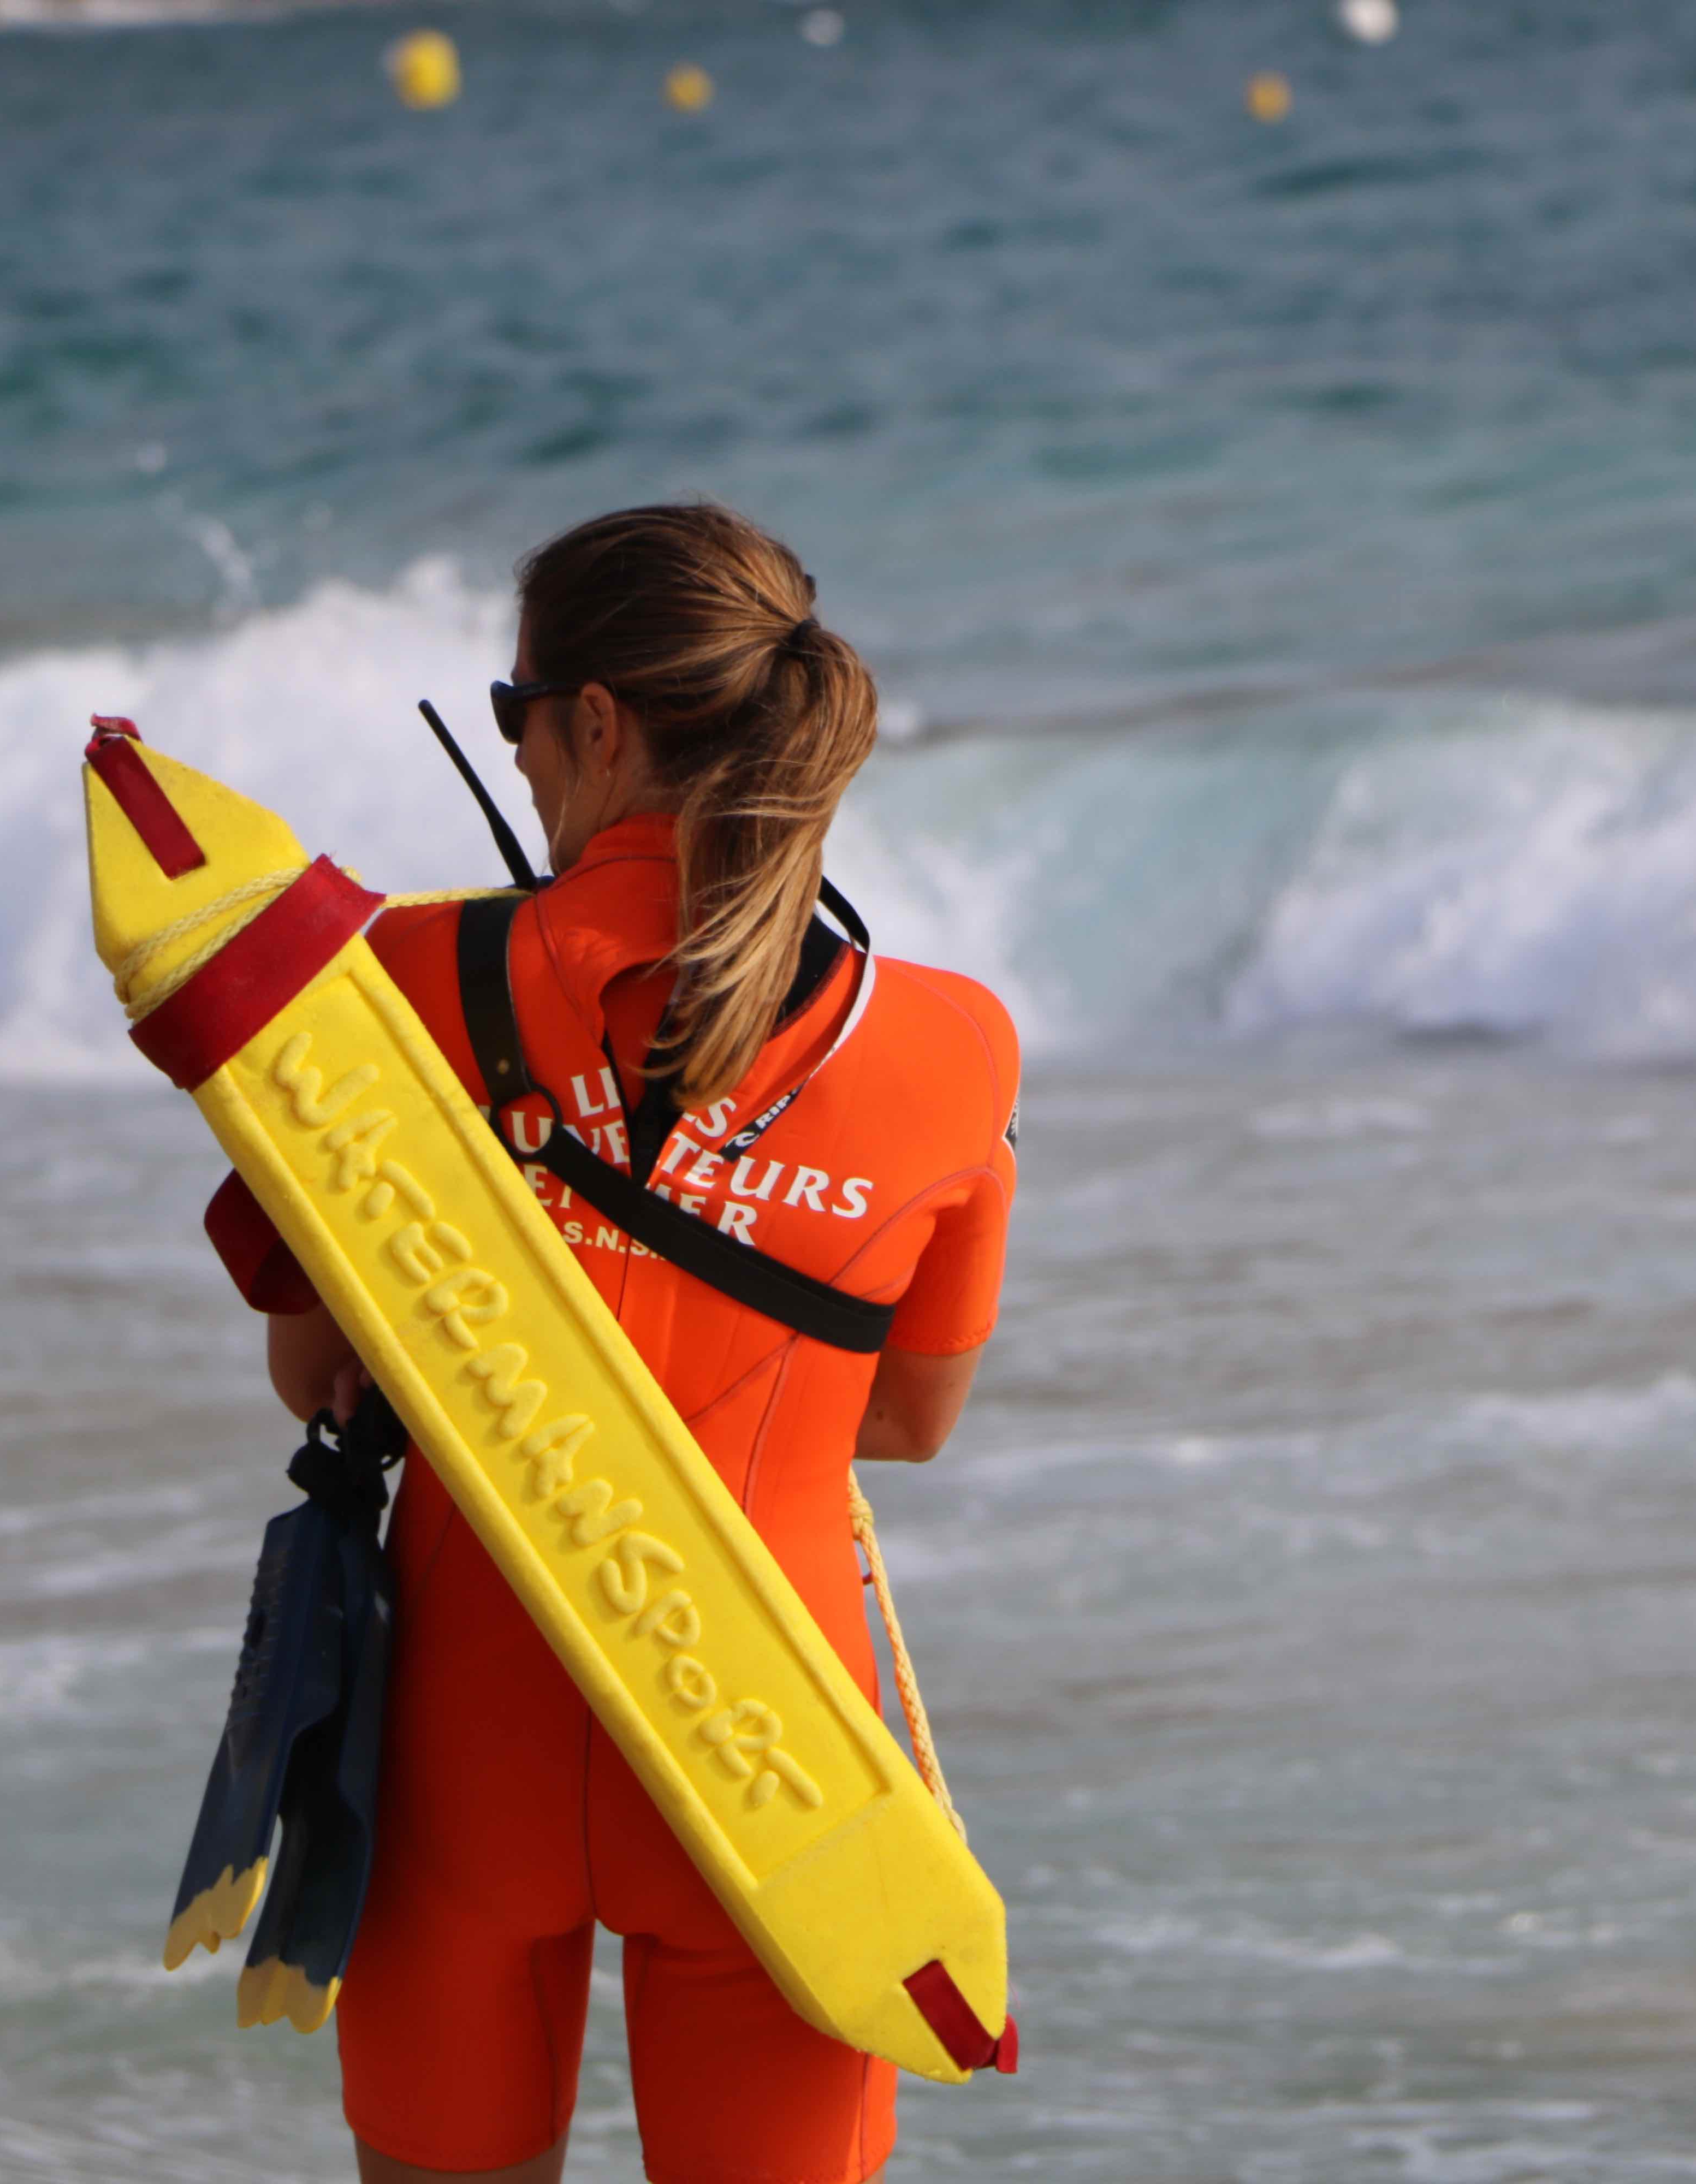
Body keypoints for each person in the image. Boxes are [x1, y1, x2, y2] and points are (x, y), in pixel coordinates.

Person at [244, 505, 1019, 2184]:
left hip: (459, 1755)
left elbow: (317, 1376)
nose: (517, 757)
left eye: (515, 713)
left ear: (594, 722)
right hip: (775, 1759)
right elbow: (908, 1419)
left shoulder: (391, 982)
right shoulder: (947, 1043)